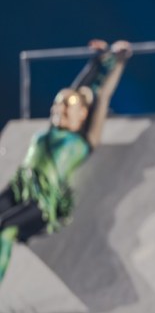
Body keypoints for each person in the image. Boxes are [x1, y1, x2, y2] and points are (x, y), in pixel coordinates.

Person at [0, 38, 132, 289]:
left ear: (81, 115)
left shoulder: (83, 140)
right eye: (57, 107)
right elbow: (75, 91)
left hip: (42, 202)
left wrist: (118, 61)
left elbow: (101, 95)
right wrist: (96, 61)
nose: (59, 111)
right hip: (20, 186)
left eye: (66, 109)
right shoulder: (51, 131)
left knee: (5, 227)